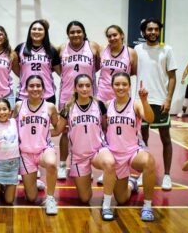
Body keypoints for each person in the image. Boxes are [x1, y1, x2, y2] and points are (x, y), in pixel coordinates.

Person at [51, 74, 116, 220]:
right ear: (75, 88)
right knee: (85, 198)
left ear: (92, 87)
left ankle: (106, 205)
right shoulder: (68, 107)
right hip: (78, 157)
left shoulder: (99, 105)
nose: (84, 89)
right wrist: (37, 129)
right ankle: (86, 180)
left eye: (88, 85)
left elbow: (106, 127)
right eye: (81, 86)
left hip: (98, 151)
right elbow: (57, 131)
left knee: (110, 163)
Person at [106, 73, 156, 221]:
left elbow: (150, 118)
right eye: (117, 84)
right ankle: (131, 184)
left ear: (129, 86)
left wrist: (145, 100)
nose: (120, 87)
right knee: (122, 199)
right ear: (112, 86)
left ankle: (147, 206)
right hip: (115, 154)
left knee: (149, 162)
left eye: (124, 84)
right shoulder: (108, 104)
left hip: (133, 151)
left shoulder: (136, 104)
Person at [135, 18, 177, 190]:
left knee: (165, 138)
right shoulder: (137, 49)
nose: (152, 32)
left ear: (159, 30)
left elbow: (172, 77)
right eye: (149, 29)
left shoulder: (167, 50)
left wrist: (168, 99)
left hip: (160, 101)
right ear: (144, 32)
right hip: (142, 100)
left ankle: (167, 175)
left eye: (155, 29)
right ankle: (143, 171)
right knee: (142, 139)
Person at [56, 20, 101, 180]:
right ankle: (62, 165)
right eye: (72, 32)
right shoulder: (62, 48)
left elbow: (99, 66)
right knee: (65, 131)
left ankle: (87, 165)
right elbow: (57, 68)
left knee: (89, 129)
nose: (75, 34)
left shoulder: (93, 47)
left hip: (88, 95)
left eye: (78, 31)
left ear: (83, 33)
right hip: (67, 95)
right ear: (68, 34)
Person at [96, 25, 138, 184]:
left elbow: (133, 71)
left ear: (121, 35)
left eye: (115, 35)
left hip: (121, 96)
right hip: (103, 95)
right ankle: (107, 168)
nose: (112, 38)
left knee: (123, 132)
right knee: (105, 129)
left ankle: (126, 167)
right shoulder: (102, 50)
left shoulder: (130, 52)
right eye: (109, 36)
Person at [13, 75, 59, 215]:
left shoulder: (50, 107)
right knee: (31, 198)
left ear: (43, 89)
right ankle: (35, 183)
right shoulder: (19, 106)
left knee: (51, 164)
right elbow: (12, 125)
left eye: (38, 86)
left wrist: (45, 134)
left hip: (44, 149)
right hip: (26, 153)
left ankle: (50, 199)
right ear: (26, 89)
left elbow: (56, 127)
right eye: (31, 86)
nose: (35, 88)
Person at [12, 20, 61, 104]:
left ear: (45, 32)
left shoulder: (51, 50)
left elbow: (60, 72)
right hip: (24, 94)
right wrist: (24, 75)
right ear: (29, 31)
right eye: (34, 29)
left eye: (40, 29)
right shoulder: (20, 48)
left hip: (47, 94)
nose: (37, 31)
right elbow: (15, 67)